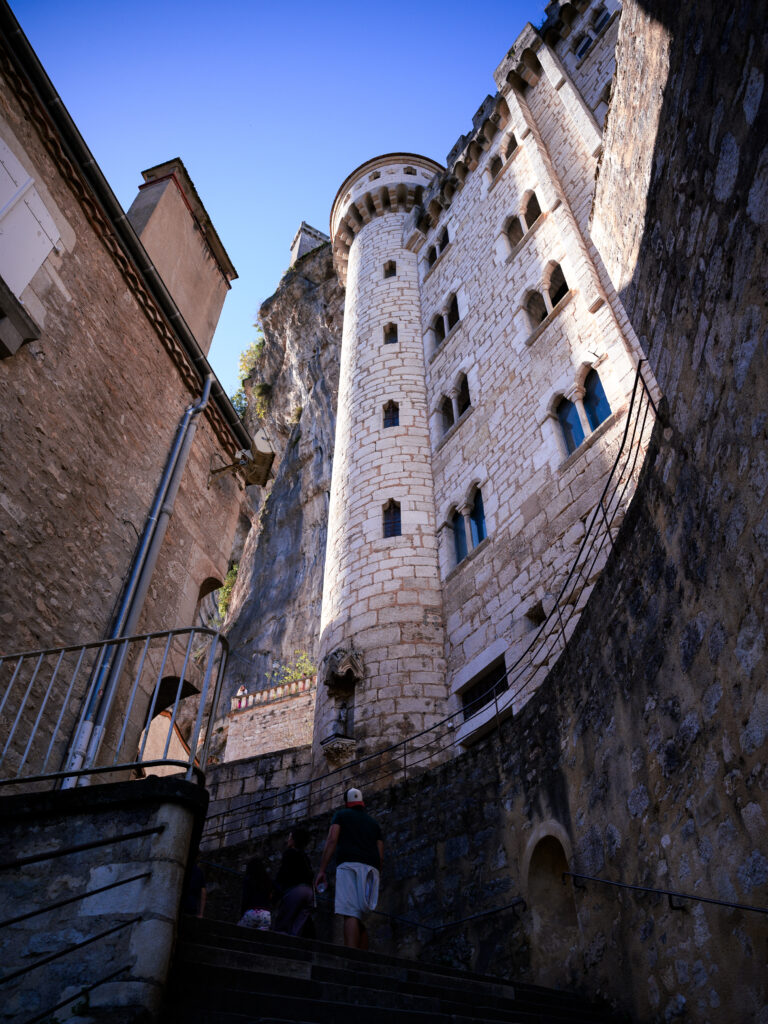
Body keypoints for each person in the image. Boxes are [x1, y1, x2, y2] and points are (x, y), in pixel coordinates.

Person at [315, 786, 383, 950]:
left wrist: (322, 870)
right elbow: (380, 852)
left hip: (349, 865)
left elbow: (332, 840)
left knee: (350, 912)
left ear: (347, 803)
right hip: (372, 869)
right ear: (362, 803)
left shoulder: (341, 815)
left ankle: (351, 957)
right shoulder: (374, 824)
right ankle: (363, 957)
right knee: (361, 915)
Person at [272, 825, 315, 937]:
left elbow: (283, 875)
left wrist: (275, 894)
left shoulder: (289, 853)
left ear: (294, 840)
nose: (288, 840)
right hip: (309, 892)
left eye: (290, 837)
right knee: (297, 928)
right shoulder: (305, 857)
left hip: (295, 890)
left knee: (283, 924)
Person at [237, 854, 272, 930]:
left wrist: (242, 913)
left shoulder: (249, 879)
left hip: (251, 911)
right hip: (265, 914)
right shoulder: (267, 880)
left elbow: (245, 897)